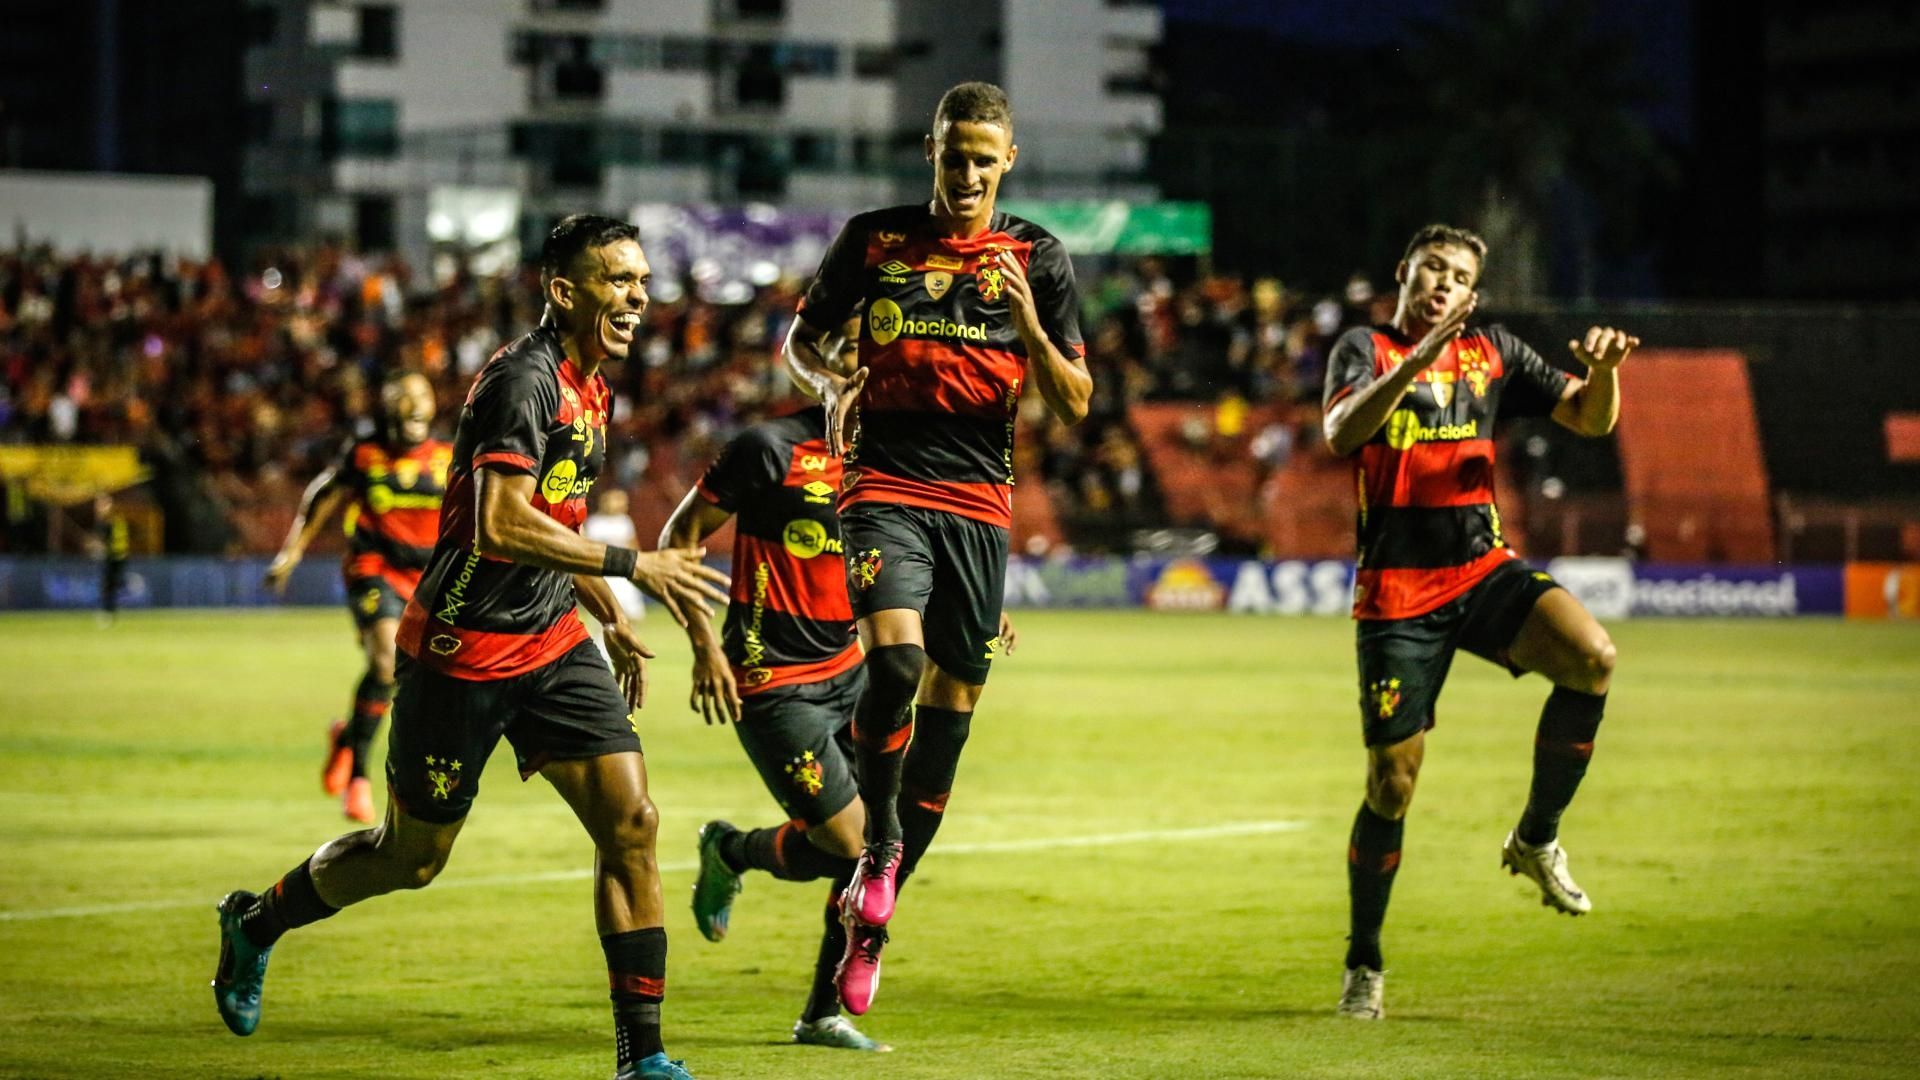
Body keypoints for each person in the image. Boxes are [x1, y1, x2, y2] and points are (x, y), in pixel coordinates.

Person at [211, 214, 730, 1080]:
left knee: (632, 823)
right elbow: (498, 523)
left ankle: (644, 1058)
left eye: (643, 280)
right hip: (461, 650)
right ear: (565, 292)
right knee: (410, 859)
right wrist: (632, 563)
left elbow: (552, 520)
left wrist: (604, 607)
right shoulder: (521, 382)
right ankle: (255, 921)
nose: (639, 296)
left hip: (553, 641)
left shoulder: (593, 385)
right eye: (619, 281)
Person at [781, 80, 1090, 1013]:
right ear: (931, 151)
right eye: (952, 156)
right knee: (896, 660)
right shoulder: (875, 240)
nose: (966, 174)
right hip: (883, 487)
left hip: (980, 508)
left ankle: (868, 917)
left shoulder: (1038, 254)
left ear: (1009, 162)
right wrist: (827, 381)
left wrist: (1030, 320)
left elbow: (1075, 403)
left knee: (952, 705)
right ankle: (875, 845)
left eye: (982, 159)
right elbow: (801, 341)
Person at [1321, 223, 1639, 1020]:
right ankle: (1364, 962)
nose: (1442, 284)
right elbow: (1339, 433)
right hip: (1397, 593)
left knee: (1593, 658)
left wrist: (1603, 374)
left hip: (1482, 569)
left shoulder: (1495, 352)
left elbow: (1590, 419)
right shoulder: (1363, 348)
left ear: (1471, 296)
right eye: (1431, 268)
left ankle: (1536, 838)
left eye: (1458, 276)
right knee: (1392, 786)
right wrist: (1415, 366)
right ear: (1404, 272)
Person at [662, 403, 1020, 1049]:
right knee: (859, 847)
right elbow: (680, 535)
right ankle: (735, 854)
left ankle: (817, 1010)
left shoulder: (899, 455)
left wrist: (966, 609)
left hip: (852, 668)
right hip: (771, 679)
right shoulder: (767, 449)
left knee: (869, 849)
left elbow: (919, 548)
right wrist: (702, 645)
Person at [264, 372, 451, 823]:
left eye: (421, 395)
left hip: (428, 578)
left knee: (412, 681)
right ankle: (359, 780)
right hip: (374, 569)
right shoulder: (366, 454)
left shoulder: (449, 456)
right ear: (389, 407)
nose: (413, 404)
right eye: (403, 396)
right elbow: (321, 496)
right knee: (386, 660)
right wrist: (292, 553)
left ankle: (348, 738)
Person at [583, 488, 648, 660]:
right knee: (603, 616)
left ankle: (626, 646)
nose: (622, 504)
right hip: (604, 575)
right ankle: (602, 653)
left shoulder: (625, 522)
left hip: (622, 576)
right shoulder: (595, 523)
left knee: (633, 615)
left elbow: (633, 546)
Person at [91, 492, 130, 624]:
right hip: (117, 558)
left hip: (113, 558)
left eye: (102, 504)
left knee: (108, 586)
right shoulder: (114, 520)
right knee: (110, 586)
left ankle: (108, 613)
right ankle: (110, 612)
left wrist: (97, 546)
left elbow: (107, 542)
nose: (99, 507)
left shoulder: (109, 522)